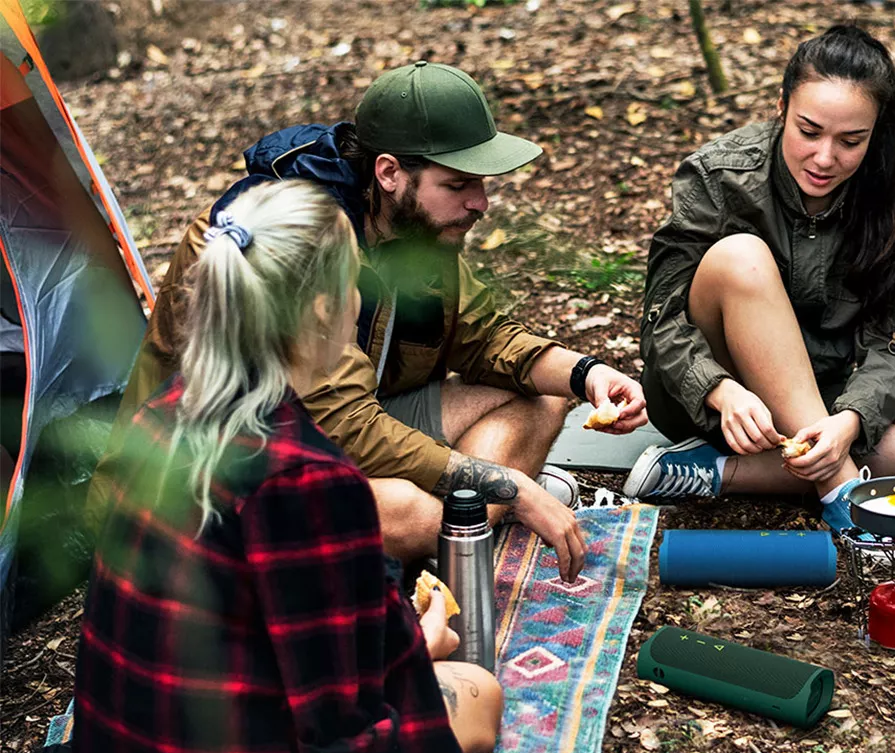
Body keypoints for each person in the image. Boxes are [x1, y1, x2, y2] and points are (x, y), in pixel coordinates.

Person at [91, 62, 650, 580]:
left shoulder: (413, 227)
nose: (480, 203)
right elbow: (344, 424)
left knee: (545, 395)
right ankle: (458, 530)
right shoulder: (294, 245)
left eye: (480, 184)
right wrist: (509, 486)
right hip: (223, 476)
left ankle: (454, 531)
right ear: (388, 173)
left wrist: (589, 375)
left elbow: (486, 337)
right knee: (411, 510)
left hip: (339, 436)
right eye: (457, 185)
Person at [71, 181, 502, 753]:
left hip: (126, 740)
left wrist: (401, 639)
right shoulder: (305, 483)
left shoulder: (161, 416)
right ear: (325, 307)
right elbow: (343, 736)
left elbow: (252, 625)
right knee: (479, 704)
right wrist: (408, 655)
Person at [624, 25, 895, 531]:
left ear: (876, 131)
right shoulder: (718, 175)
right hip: (708, 398)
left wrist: (849, 422)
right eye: (808, 131)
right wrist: (721, 391)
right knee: (742, 256)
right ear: (781, 107)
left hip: (819, 394)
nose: (825, 157)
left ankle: (710, 472)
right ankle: (839, 489)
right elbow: (661, 322)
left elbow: (894, 344)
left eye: (851, 140)